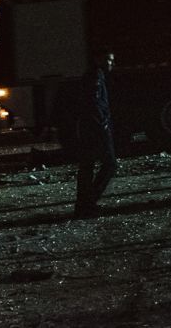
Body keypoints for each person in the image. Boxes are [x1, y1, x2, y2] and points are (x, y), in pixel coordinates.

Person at [73, 48, 116, 218]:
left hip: (87, 128)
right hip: (96, 128)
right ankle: (88, 203)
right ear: (99, 60)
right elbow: (95, 104)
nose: (111, 64)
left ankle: (84, 205)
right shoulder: (96, 78)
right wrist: (103, 124)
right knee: (109, 164)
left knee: (87, 167)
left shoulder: (92, 76)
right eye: (109, 60)